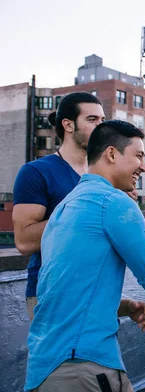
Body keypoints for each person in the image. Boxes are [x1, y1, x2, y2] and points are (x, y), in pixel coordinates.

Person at [25, 120, 145, 392]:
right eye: (139, 156)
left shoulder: (63, 208)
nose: (144, 166)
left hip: (45, 367)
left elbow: (62, 291)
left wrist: (124, 306)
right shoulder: (113, 202)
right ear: (111, 154)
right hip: (84, 366)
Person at [13, 92, 106, 320]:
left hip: (100, 292)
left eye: (103, 121)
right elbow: (24, 241)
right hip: (53, 294)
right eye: (92, 120)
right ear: (68, 125)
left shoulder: (105, 175)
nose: (102, 128)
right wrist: (84, 208)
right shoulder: (36, 172)